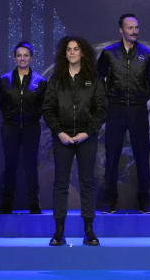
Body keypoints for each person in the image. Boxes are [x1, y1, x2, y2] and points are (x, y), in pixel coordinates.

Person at [43, 36, 107, 246]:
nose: (72, 52)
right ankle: (58, 231)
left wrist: (87, 132)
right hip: (62, 137)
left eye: (76, 49)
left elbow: (101, 110)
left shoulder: (93, 79)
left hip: (86, 137)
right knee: (60, 183)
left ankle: (89, 230)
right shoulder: (56, 80)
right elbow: (48, 109)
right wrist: (59, 132)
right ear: (64, 53)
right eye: (68, 49)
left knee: (87, 182)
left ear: (83, 53)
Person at [98, 13, 150, 213]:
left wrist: (141, 98)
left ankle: (144, 200)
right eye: (130, 28)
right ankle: (110, 201)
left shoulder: (147, 54)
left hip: (138, 110)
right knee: (112, 156)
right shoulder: (108, 53)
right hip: (115, 110)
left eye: (136, 27)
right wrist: (110, 97)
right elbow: (99, 79)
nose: (134, 31)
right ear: (121, 30)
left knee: (142, 156)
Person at [0, 41, 47, 214]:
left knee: (30, 166)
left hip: (31, 128)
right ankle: (7, 203)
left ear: (31, 57)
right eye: (19, 55)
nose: (22, 58)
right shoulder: (4, 80)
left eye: (26, 55)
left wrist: (31, 118)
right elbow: (2, 104)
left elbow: (42, 105)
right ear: (14, 57)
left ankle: (33, 203)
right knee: (10, 165)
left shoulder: (40, 81)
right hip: (10, 128)